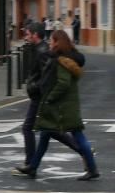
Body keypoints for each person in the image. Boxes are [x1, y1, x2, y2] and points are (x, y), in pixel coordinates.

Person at [14, 29, 99, 180]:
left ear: (57, 43)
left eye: (52, 40)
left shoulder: (62, 61)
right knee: (46, 134)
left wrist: (50, 98)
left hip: (63, 107)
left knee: (78, 136)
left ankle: (92, 168)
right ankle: (32, 167)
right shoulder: (64, 58)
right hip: (64, 105)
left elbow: (63, 84)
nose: (49, 43)